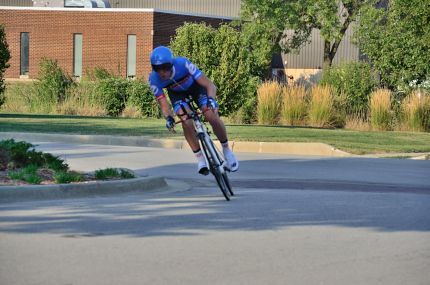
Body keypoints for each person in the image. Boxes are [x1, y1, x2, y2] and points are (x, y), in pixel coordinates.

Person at [148, 46, 239, 175]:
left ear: (172, 64)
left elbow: (209, 85)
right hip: (177, 95)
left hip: (196, 88)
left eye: (165, 67)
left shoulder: (183, 64)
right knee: (185, 120)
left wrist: (211, 99)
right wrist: (169, 118)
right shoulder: (153, 79)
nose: (162, 72)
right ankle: (201, 159)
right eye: (157, 68)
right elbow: (164, 104)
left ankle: (227, 150)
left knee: (210, 114)